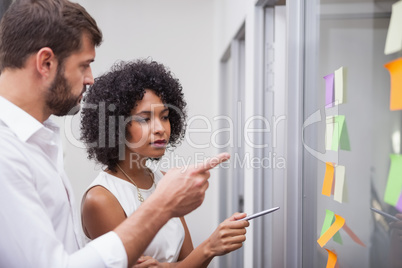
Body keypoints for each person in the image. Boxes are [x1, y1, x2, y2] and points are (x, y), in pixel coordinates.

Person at [0, 0, 231, 267]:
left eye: (165, 117)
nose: (90, 79)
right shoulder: (7, 152)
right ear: (46, 62)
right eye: (84, 65)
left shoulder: (40, 141)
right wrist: (166, 204)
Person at [80, 59, 249, 268]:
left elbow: (187, 261)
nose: (160, 128)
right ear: (115, 125)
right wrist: (210, 247)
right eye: (145, 119)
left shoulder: (164, 180)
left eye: (165, 116)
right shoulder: (101, 199)